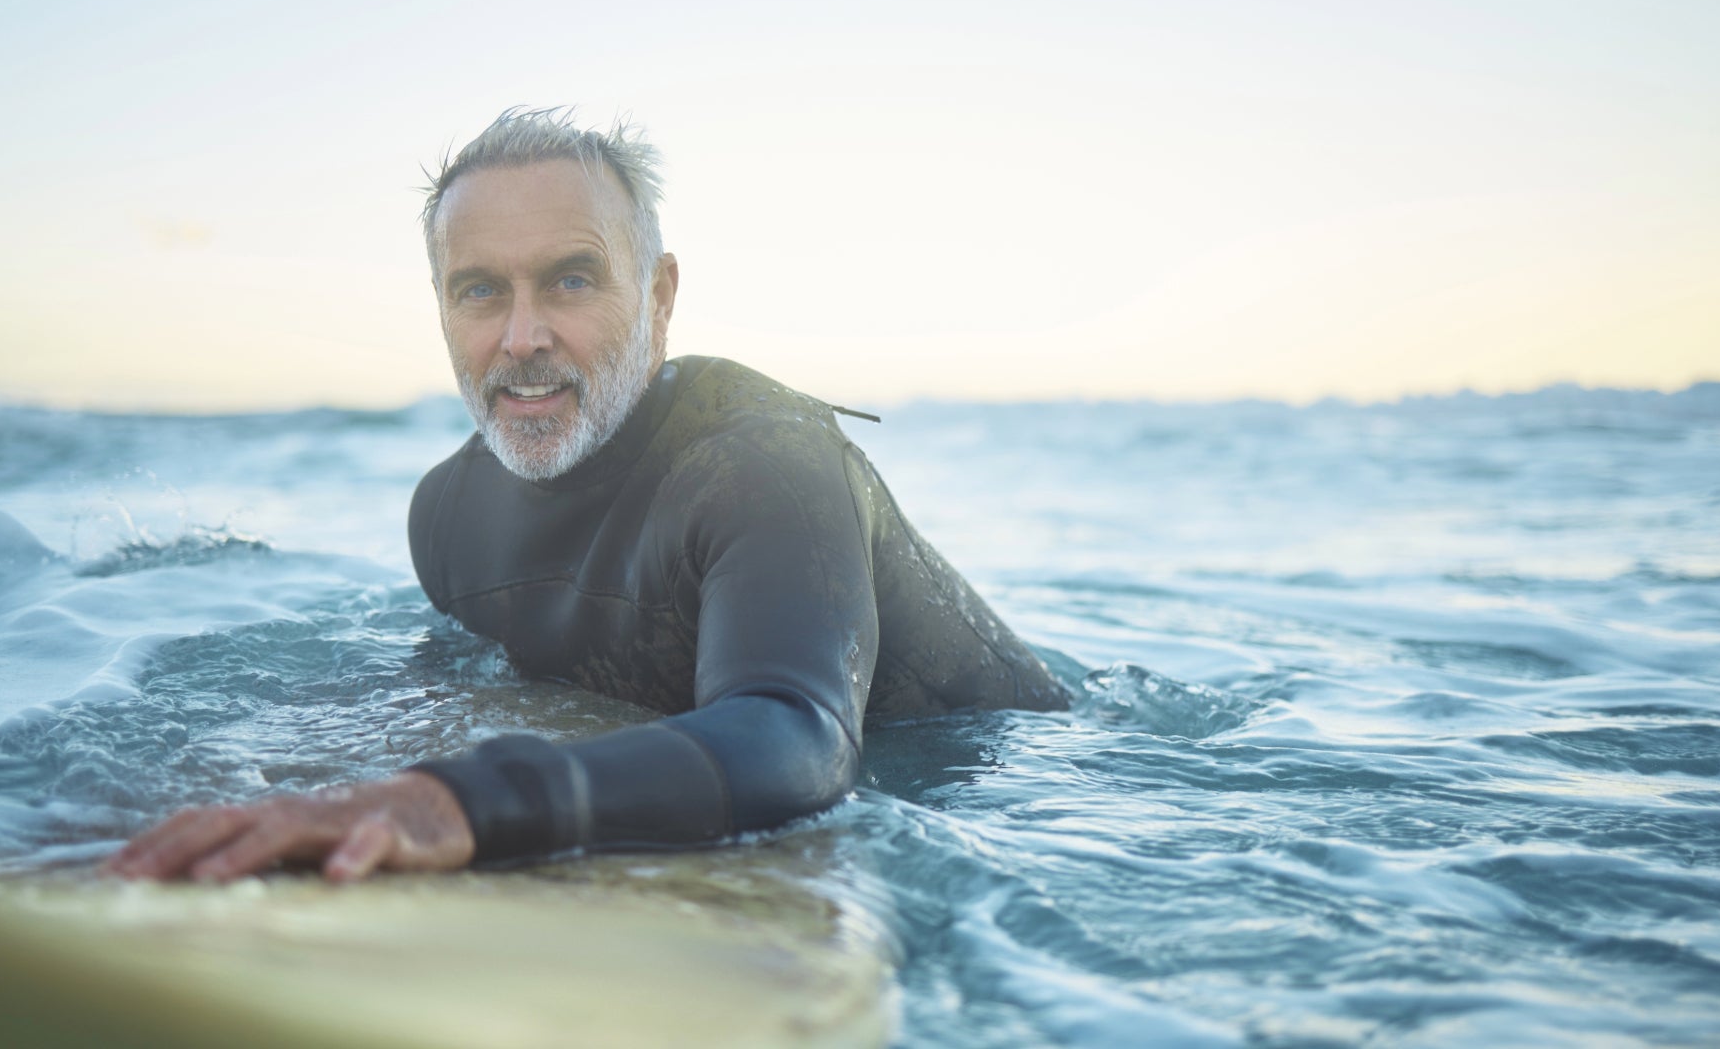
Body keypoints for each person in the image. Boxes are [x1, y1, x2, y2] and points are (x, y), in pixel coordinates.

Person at [107, 107, 1068, 883]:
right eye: (481, 291)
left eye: (570, 279)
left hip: (1033, 805)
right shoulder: (444, 517)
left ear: (658, 297)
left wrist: (462, 802)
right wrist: (253, 770)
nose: (522, 335)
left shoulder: (762, 464)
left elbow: (798, 743)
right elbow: (461, 693)